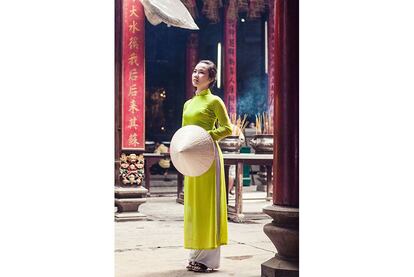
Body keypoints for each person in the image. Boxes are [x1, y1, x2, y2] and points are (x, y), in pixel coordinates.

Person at [181, 60, 232, 272]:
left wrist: (203, 137)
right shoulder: (188, 104)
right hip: (192, 159)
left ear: (211, 79)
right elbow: (184, 133)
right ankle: (195, 254)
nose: (196, 75)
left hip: (208, 157)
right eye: (194, 71)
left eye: (201, 72)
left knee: (208, 205)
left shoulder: (215, 101)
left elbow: (228, 128)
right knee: (193, 206)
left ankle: (208, 260)